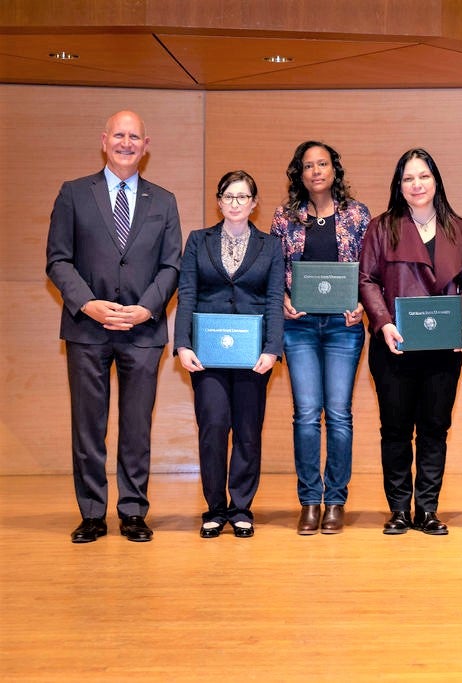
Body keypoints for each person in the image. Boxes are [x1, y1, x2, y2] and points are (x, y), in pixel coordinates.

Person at [46, 110, 182, 543]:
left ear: (146, 145)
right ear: (104, 141)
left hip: (142, 332)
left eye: (134, 137)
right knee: (88, 425)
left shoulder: (164, 201)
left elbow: (172, 265)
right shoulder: (73, 194)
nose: (127, 143)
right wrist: (87, 304)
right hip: (87, 329)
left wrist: (145, 309)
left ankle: (133, 511)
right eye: (119, 135)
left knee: (136, 425)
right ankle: (91, 513)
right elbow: (57, 259)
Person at [359, 149, 462, 536]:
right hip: (396, 344)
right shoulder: (381, 227)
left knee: (434, 428)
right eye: (408, 178)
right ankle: (398, 510)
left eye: (423, 176)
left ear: (436, 181)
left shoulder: (460, 228)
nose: (417, 184)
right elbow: (367, 280)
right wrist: (383, 322)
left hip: (443, 348)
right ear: (399, 185)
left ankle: (427, 509)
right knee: (394, 429)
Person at [174, 170, 284, 539]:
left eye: (243, 197)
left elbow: (272, 301)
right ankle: (214, 508)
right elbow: (187, 292)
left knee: (249, 431)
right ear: (219, 201)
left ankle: (241, 508)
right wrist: (182, 344)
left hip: (254, 356)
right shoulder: (197, 241)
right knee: (214, 427)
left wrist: (272, 349)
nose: (236, 203)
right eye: (229, 196)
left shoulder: (270, 246)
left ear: (254, 204)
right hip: (207, 354)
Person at [270, 141, 370, 535]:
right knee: (307, 415)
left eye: (322, 163)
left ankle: (336, 501)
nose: (316, 171)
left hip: (344, 328)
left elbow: (371, 269)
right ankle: (310, 500)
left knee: (340, 415)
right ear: (300, 173)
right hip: (300, 327)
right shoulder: (285, 217)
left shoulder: (358, 214)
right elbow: (273, 268)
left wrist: (361, 301)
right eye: (308, 165)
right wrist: (283, 299)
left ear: (334, 169)